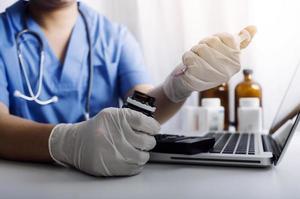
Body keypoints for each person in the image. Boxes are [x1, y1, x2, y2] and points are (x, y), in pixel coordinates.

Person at [0, 0, 256, 176]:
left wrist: (178, 85)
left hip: (106, 183)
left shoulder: (113, 37)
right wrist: (67, 143)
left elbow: (142, 107)